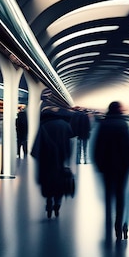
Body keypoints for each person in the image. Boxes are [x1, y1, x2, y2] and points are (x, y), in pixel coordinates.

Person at [93, 101, 129, 240]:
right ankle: (118, 224)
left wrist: (99, 164)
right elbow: (128, 147)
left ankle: (108, 220)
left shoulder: (103, 125)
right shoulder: (123, 125)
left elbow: (98, 146)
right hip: (122, 166)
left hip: (106, 165)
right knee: (120, 194)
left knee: (108, 193)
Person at [31, 88, 74, 219]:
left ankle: (49, 202)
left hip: (46, 161)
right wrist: (66, 155)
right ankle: (57, 204)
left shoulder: (43, 126)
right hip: (60, 160)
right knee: (59, 183)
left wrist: (38, 157)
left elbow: (36, 147)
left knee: (48, 183)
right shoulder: (65, 125)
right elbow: (70, 143)